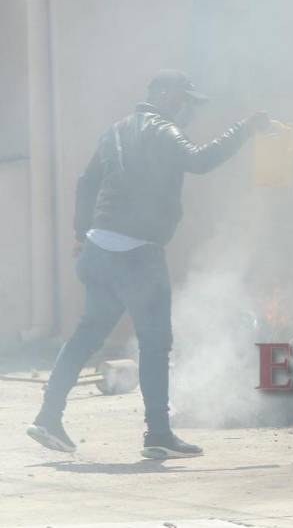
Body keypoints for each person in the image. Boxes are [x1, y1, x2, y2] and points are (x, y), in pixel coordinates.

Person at [27, 70, 270, 459]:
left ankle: (47, 417)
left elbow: (86, 183)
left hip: (98, 251)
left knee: (85, 337)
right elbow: (200, 160)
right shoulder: (163, 130)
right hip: (138, 255)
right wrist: (246, 129)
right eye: (185, 100)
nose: (189, 109)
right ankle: (158, 433)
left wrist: (80, 234)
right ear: (163, 95)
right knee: (156, 344)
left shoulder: (113, 132)